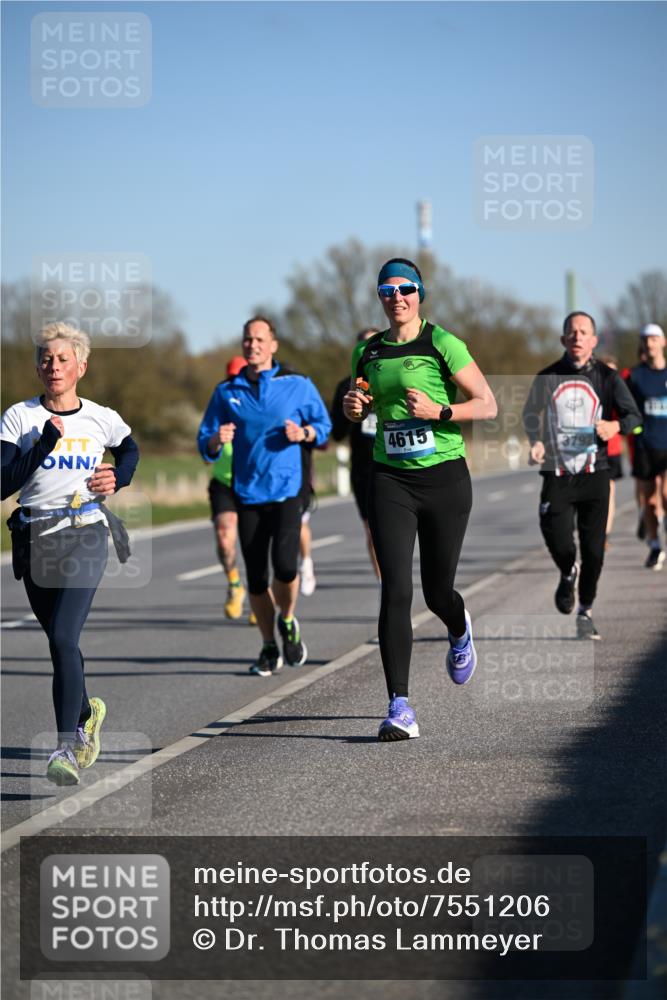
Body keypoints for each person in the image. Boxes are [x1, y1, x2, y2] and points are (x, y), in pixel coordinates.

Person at [343, 259, 497, 741]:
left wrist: (440, 409)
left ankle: (458, 626)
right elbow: (361, 398)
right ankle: (400, 706)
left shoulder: (442, 343)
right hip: (390, 478)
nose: (397, 297)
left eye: (406, 289)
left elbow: (488, 404)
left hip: (446, 479)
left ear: (419, 294)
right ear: (380, 298)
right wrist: (353, 406)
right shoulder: (367, 352)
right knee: (396, 588)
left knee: (436, 593)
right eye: (387, 290)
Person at [0, 322, 139, 785]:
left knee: (63, 635)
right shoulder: (19, 418)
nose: (52, 366)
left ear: (81, 364)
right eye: (45, 358)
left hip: (85, 533)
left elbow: (130, 449)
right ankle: (86, 714)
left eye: (62, 359)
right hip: (35, 539)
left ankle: (65, 747)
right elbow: (3, 483)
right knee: (62, 645)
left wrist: (116, 478)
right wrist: (42, 446)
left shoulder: (101, 417)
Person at [197, 316, 331, 676]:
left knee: (286, 567)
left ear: (273, 345)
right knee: (256, 578)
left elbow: (324, 426)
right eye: (247, 340)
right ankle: (269, 645)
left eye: (259, 339)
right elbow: (205, 438)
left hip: (288, 490)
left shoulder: (298, 385)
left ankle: (287, 619)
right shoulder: (227, 392)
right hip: (247, 492)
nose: (252, 345)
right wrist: (215, 440)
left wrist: (303, 433)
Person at [522, 312, 642, 639]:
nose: (577, 337)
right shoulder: (548, 376)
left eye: (583, 332)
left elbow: (633, 416)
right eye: (571, 332)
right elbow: (531, 414)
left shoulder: (607, 377)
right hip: (558, 472)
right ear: (563, 340)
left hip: (595, 472)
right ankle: (567, 570)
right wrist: (535, 442)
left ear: (593, 340)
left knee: (595, 550)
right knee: (557, 536)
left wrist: (616, 426)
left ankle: (585, 610)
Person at [207, 356, 255, 623]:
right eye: (232, 377)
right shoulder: (220, 404)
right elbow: (205, 452)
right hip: (224, 482)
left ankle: (261, 592)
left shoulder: (257, 403)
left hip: (254, 482)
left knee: (255, 544)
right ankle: (236, 585)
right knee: (226, 540)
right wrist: (216, 439)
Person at [331, 328, 381, 579]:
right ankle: (385, 586)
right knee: (373, 533)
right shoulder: (345, 386)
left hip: (394, 465)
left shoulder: (394, 377)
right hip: (363, 469)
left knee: (395, 532)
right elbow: (337, 434)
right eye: (363, 346)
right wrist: (350, 411)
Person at [628, 323, 667, 570]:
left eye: (654, 339)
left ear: (663, 342)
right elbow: (626, 409)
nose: (650, 343)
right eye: (646, 340)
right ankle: (654, 545)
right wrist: (634, 428)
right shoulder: (635, 376)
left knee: (666, 494)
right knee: (650, 503)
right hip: (645, 446)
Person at [599, 354, 624, 547]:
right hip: (591, 448)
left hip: (612, 449)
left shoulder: (621, 393)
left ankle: (604, 534)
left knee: (609, 492)